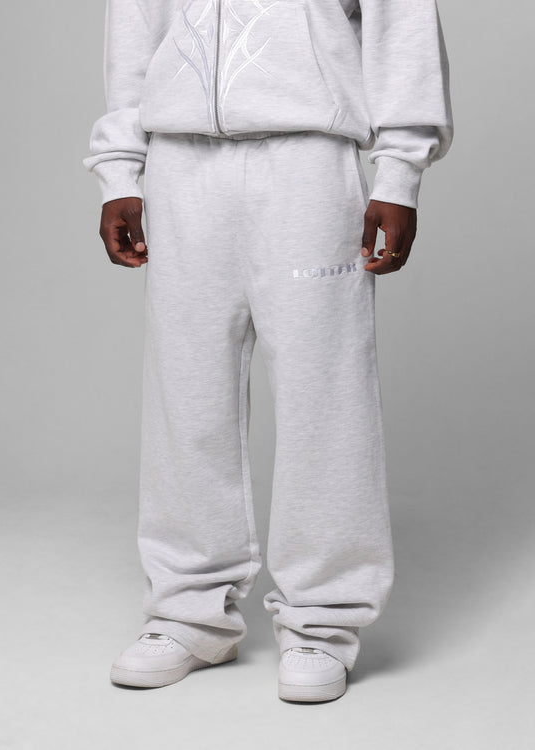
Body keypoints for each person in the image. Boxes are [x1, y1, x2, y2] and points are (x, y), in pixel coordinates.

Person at [82, 0, 453, 703]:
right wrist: (121, 171)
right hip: (180, 164)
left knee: (326, 394)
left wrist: (398, 172)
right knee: (185, 395)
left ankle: (323, 621)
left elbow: (400, 19)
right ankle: (187, 614)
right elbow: (136, 29)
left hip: (309, 159)